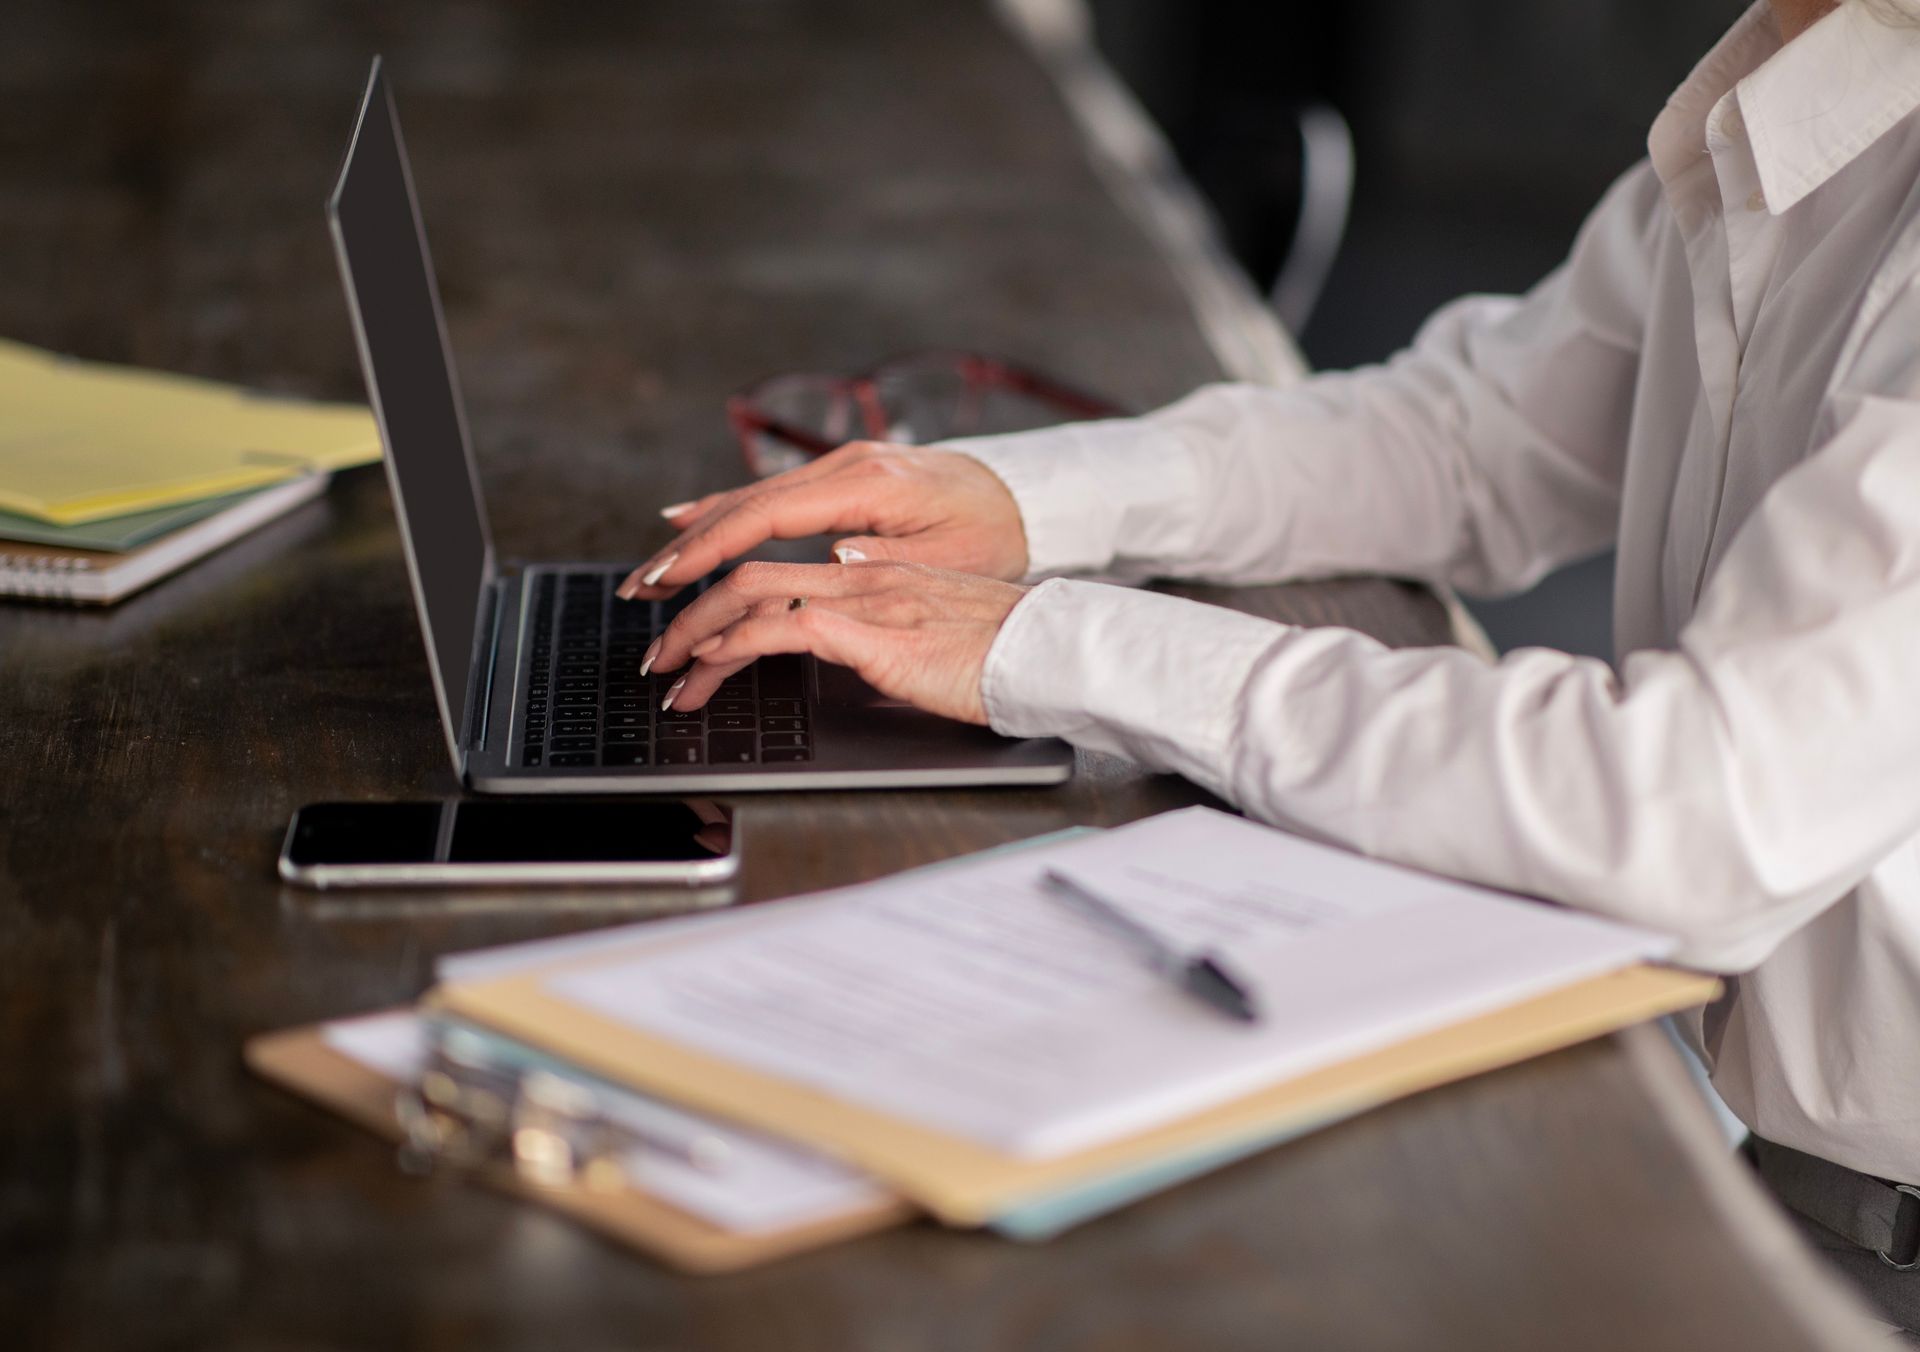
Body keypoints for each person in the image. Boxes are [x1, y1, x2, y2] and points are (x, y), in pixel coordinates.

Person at [622, 0, 1920, 1332]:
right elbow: (1477, 435)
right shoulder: (1820, 82)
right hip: (1790, 1191)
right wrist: (1017, 499)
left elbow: (1685, 810)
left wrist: (1042, 639)